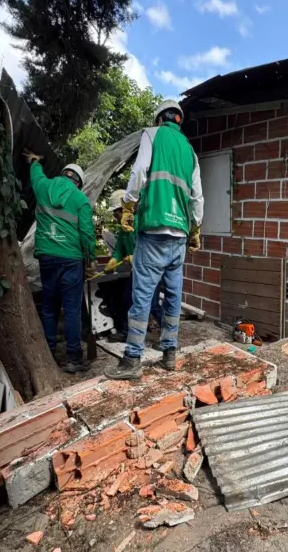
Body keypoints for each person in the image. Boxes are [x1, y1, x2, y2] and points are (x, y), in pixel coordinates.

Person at [105, 100, 204, 379]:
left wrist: (128, 205)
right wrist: (195, 229)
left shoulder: (152, 134)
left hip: (154, 229)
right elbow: (197, 196)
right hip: (179, 236)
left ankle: (132, 361)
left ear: (160, 118)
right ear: (179, 120)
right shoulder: (190, 151)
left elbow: (139, 173)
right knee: (173, 297)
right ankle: (169, 355)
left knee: (142, 296)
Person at [23, 150, 96, 373]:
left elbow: (36, 175)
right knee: (72, 309)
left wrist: (34, 161)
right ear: (78, 182)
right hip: (71, 260)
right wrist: (90, 260)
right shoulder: (80, 199)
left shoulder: (44, 187)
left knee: (49, 307)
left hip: (47, 258)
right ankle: (74, 358)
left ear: (64, 174)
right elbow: (87, 233)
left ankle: (49, 354)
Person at [103, 190, 163, 342]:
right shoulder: (124, 228)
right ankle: (126, 331)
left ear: (123, 209)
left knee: (153, 304)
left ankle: (169, 334)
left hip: (151, 271)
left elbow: (152, 249)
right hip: (137, 272)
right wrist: (114, 260)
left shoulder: (142, 222)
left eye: (116, 213)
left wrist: (136, 258)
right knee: (127, 299)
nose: (114, 217)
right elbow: (119, 249)